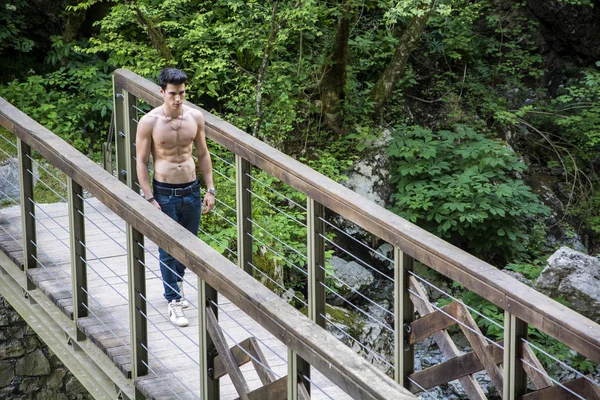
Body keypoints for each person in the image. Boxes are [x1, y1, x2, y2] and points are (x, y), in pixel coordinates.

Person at [135, 68, 215, 327]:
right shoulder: (149, 122)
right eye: (172, 94)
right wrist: (149, 198)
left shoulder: (195, 117)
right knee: (168, 248)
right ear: (161, 92)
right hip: (164, 192)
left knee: (187, 246)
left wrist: (210, 189)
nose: (178, 99)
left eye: (181, 93)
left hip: (191, 190)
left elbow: (202, 154)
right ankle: (174, 301)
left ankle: (176, 288)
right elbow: (141, 161)